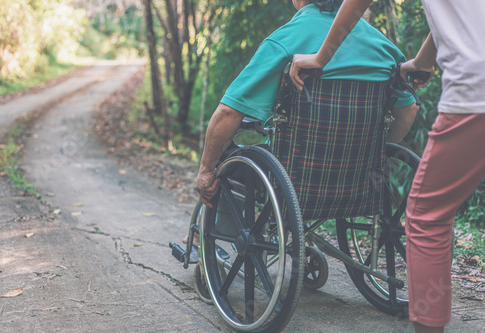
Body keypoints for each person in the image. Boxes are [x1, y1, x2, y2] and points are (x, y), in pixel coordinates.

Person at [289, 1, 485, 333]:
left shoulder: (290, 36)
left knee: (427, 216)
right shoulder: (380, 46)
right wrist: (422, 62)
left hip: (475, 93)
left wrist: (321, 58)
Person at [189, 0, 418, 254]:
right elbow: (409, 109)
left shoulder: (287, 38)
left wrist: (205, 171)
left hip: (296, 177)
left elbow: (229, 112)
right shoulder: (383, 46)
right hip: (359, 180)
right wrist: (372, 156)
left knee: (224, 158)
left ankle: (215, 243)